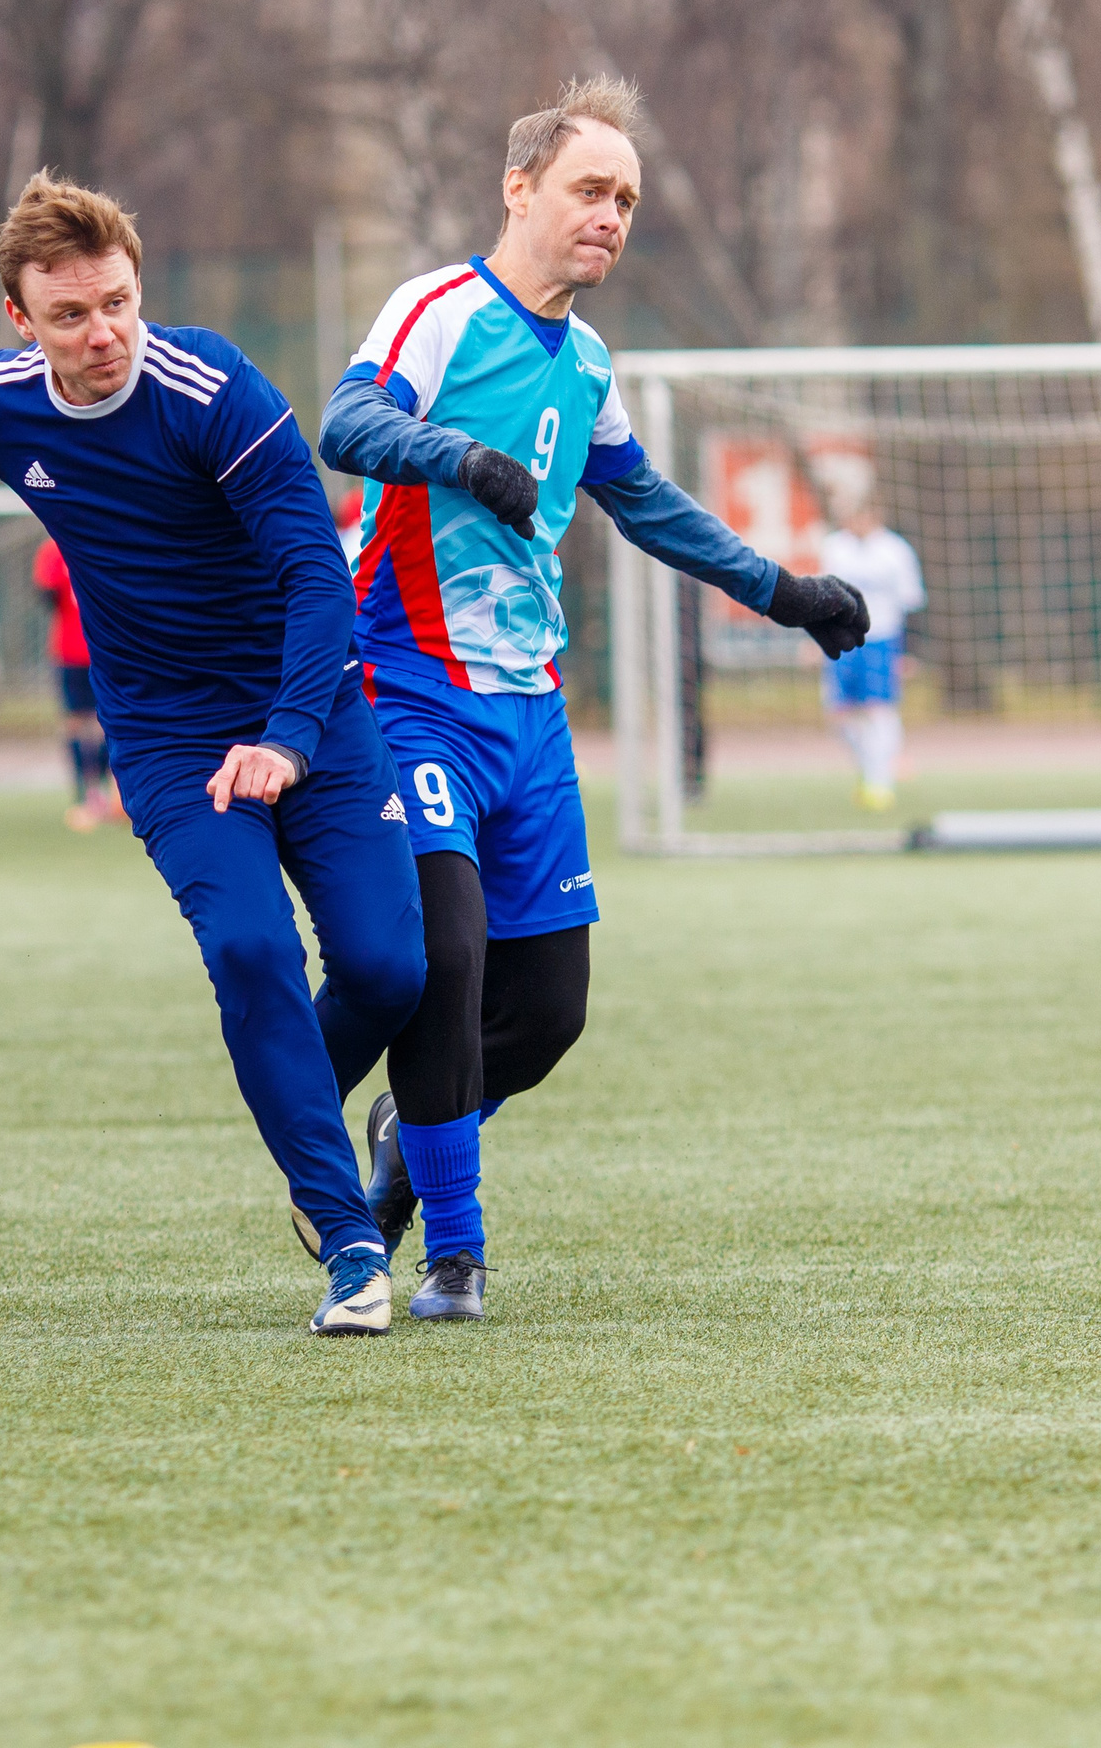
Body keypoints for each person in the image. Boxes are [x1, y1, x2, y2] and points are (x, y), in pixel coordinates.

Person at [0, 172, 426, 1337]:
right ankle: (347, 1235)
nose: (103, 335)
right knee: (250, 950)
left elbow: (315, 575)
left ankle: (296, 1098)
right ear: (21, 319)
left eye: (118, 304)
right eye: (70, 315)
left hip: (313, 714)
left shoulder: (215, 392)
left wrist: (289, 738)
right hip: (169, 739)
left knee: (389, 972)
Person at [319, 75, 869, 1322]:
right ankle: (450, 1257)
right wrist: (459, 458)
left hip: (531, 715)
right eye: (587, 189)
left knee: (548, 1015)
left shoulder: (588, 362)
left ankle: (404, 1133)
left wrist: (784, 593)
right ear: (519, 190)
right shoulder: (439, 310)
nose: (609, 215)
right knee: (447, 961)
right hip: (410, 689)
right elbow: (344, 424)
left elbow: (648, 505)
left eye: (624, 198)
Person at [816, 501, 925, 811]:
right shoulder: (834, 548)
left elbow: (911, 602)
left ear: (876, 516)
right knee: (839, 715)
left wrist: (909, 651)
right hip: (841, 639)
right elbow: (817, 599)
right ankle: (871, 767)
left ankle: (880, 783)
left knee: (879, 709)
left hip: (881, 639)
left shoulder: (895, 551)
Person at [34, 535, 115, 829]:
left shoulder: (53, 547)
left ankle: (85, 792)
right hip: (106, 648)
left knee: (76, 723)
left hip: (71, 648)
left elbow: (46, 594)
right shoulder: (103, 540)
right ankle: (105, 792)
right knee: (106, 721)